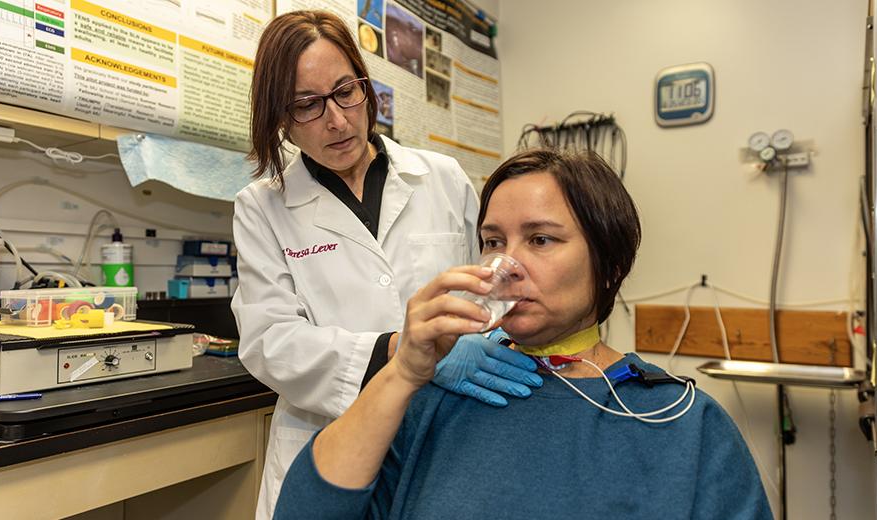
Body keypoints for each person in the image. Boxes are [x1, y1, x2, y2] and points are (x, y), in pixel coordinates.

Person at [274, 149, 774, 519]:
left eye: (540, 239)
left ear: (610, 263)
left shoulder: (682, 424)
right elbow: (304, 511)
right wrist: (403, 372)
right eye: (493, 241)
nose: (505, 266)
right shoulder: (433, 402)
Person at [231, 10, 541, 520]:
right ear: (280, 119)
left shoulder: (441, 177)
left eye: (344, 91)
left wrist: (486, 337)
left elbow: (488, 287)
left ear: (366, 87)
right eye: (307, 105)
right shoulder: (260, 207)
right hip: (327, 441)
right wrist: (402, 351)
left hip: (441, 431)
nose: (336, 119)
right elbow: (270, 343)